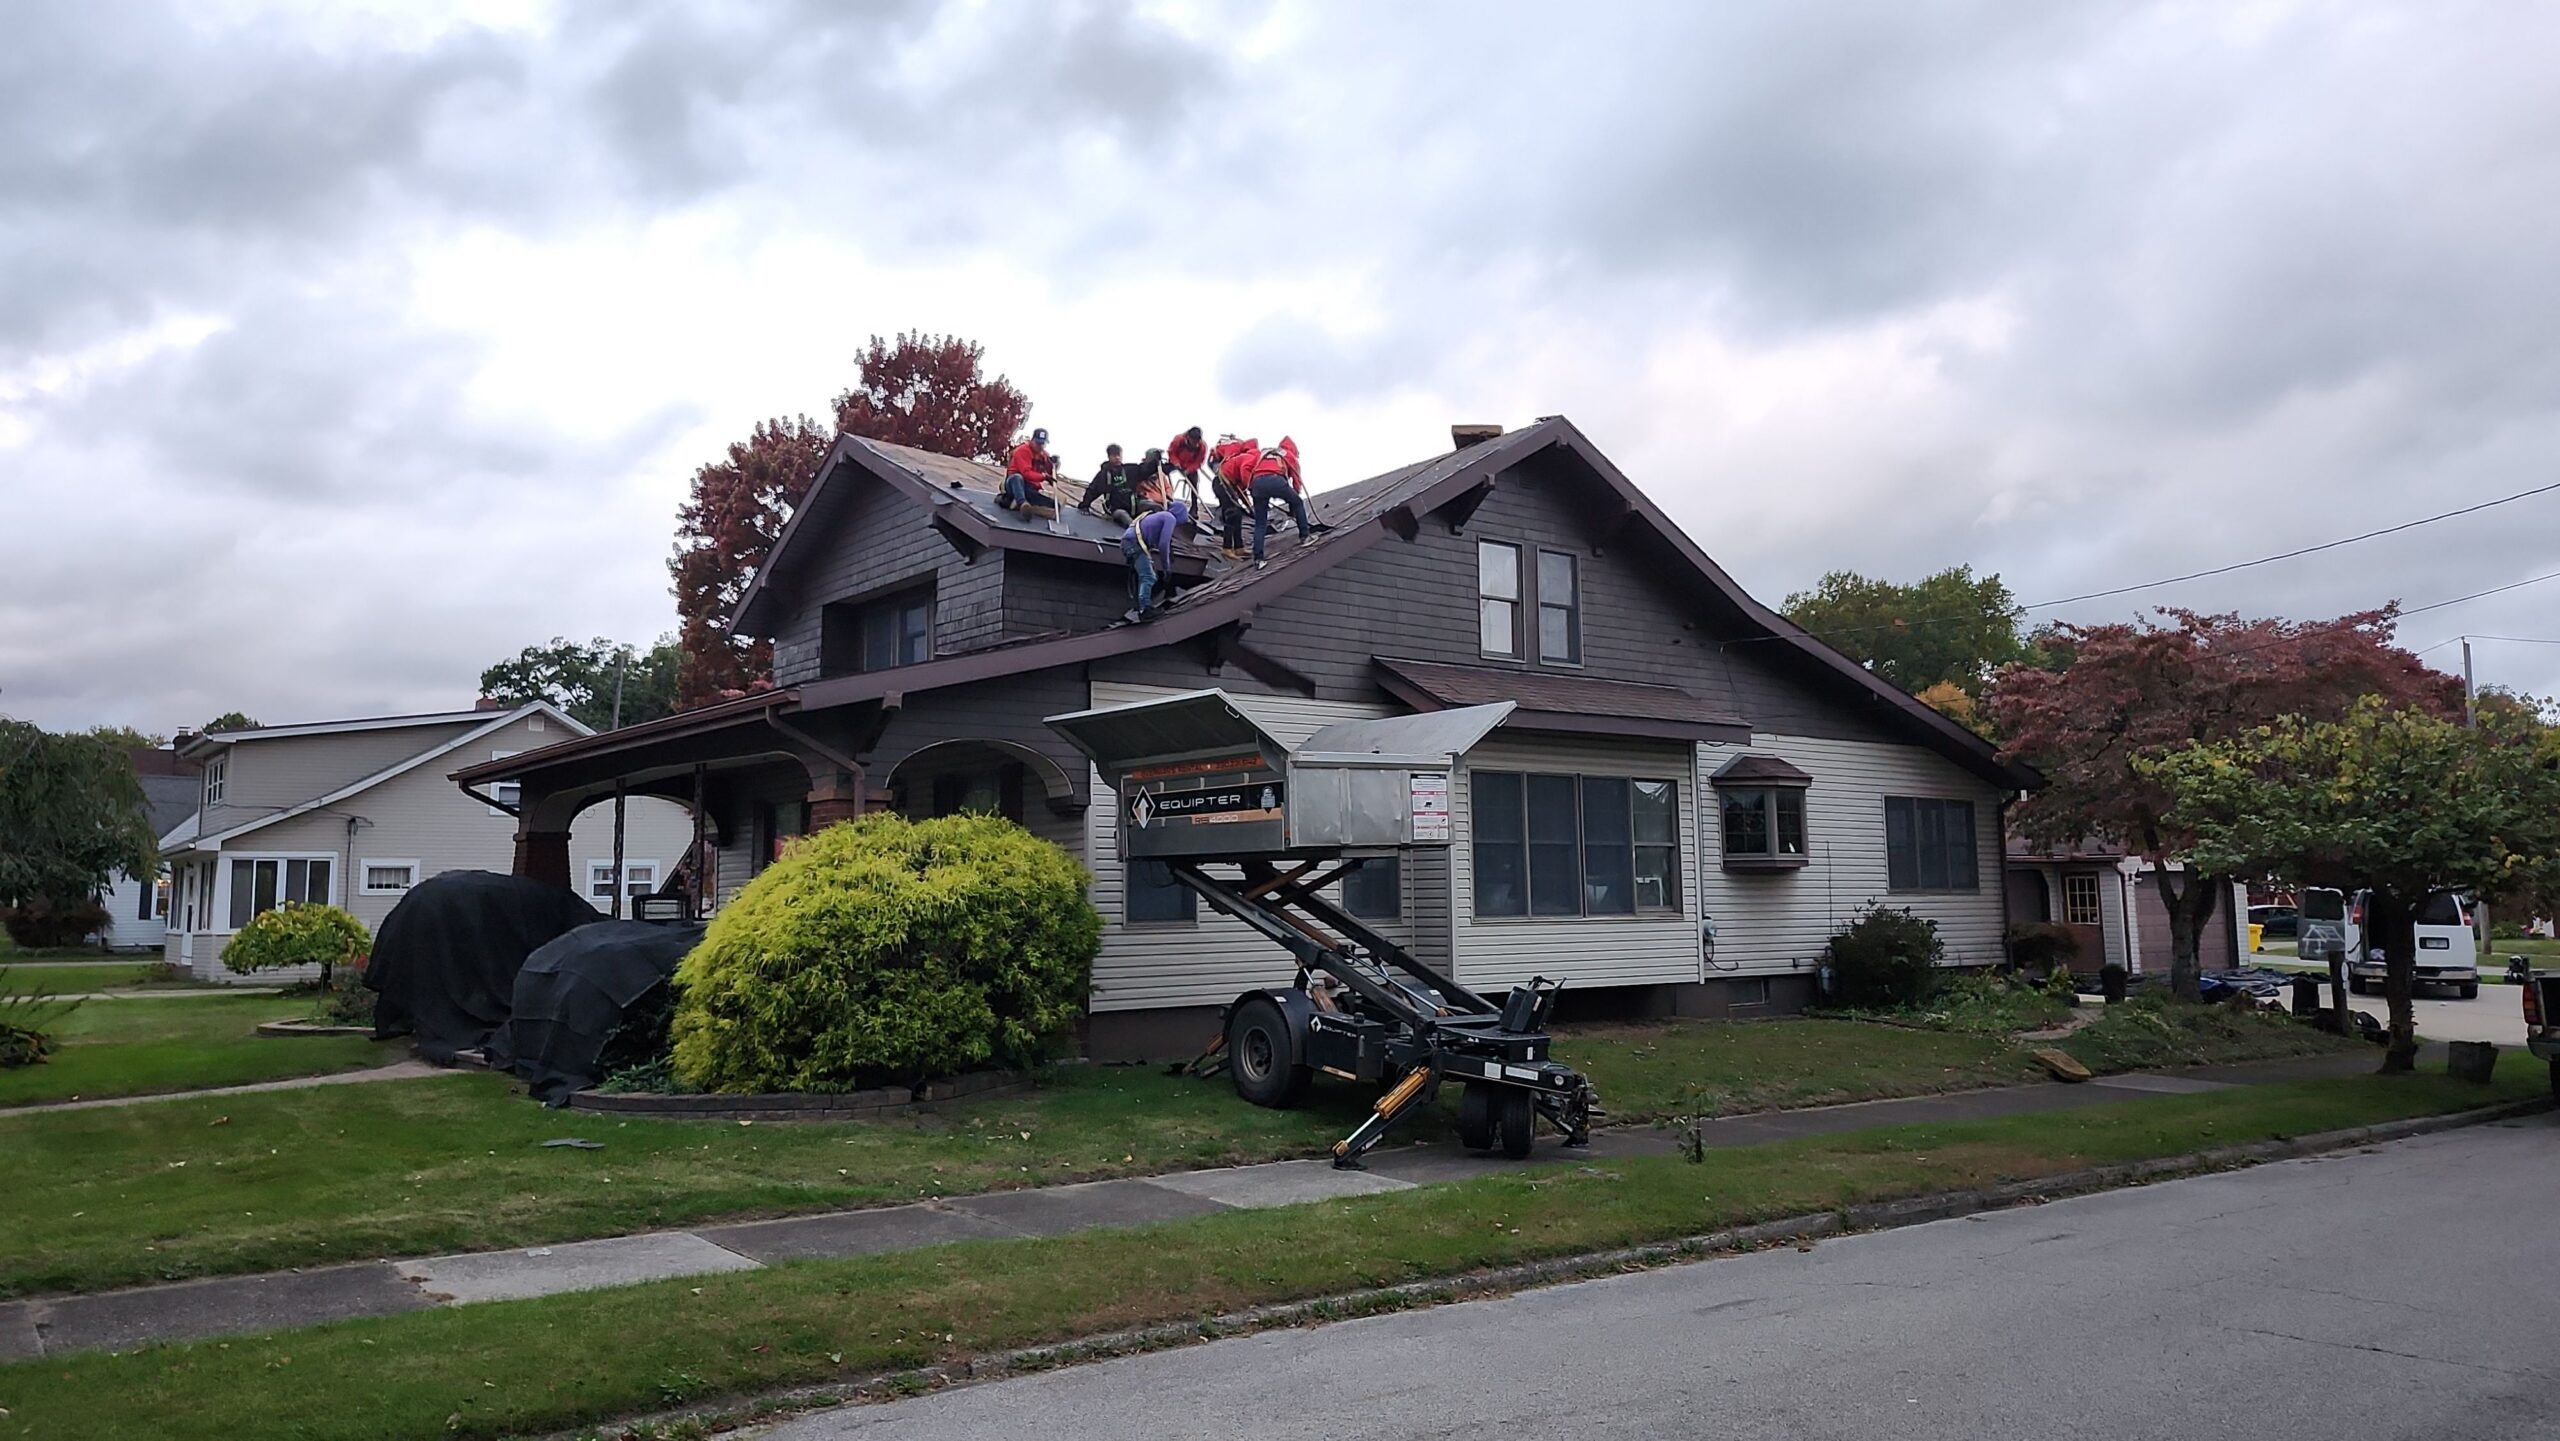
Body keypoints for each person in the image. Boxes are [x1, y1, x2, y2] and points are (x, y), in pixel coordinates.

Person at [1248, 435, 1326, 566]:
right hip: (1275, 480)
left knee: (1260, 522)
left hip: (1257, 483)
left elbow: (1251, 469)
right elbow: (1296, 481)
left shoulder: (1265, 454)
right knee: (1298, 502)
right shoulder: (1288, 455)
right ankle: (1305, 536)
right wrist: (1293, 505)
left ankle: (1258, 558)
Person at [1123, 499, 1190, 620]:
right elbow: (1163, 544)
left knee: (1149, 576)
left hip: (1129, 543)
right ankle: (1144, 610)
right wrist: (1166, 567)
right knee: (1148, 576)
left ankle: (1142, 605)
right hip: (1134, 544)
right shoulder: (1169, 518)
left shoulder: (1160, 516)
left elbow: (1163, 543)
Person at [1210, 435, 1259, 556]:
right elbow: (1245, 474)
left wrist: (1249, 507)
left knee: (1238, 514)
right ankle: (1226, 548)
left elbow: (1241, 491)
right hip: (1221, 482)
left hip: (1227, 484)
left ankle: (1238, 547)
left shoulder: (1242, 458)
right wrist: (1252, 488)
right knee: (1233, 512)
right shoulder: (1251, 458)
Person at [1077, 442, 1141, 524]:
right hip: (1116, 510)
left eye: (1119, 455)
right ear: (1109, 457)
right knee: (1126, 518)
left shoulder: (1130, 470)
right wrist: (1084, 506)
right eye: (1114, 455)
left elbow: (1146, 469)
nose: (1117, 458)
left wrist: (1155, 459)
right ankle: (1135, 530)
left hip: (1133, 507)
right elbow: (1093, 490)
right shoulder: (1103, 475)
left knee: (1153, 506)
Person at [1000, 428, 1057, 511]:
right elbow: (1026, 473)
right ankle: (1022, 503)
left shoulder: (1044, 455)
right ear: (1032, 440)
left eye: (1042, 444)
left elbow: (1050, 471)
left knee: (1052, 504)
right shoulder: (1023, 451)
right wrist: (1043, 476)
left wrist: (1054, 464)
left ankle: (1016, 502)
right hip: (1014, 484)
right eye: (1038, 443)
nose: (1040, 446)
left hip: (1030, 488)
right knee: (1017, 478)